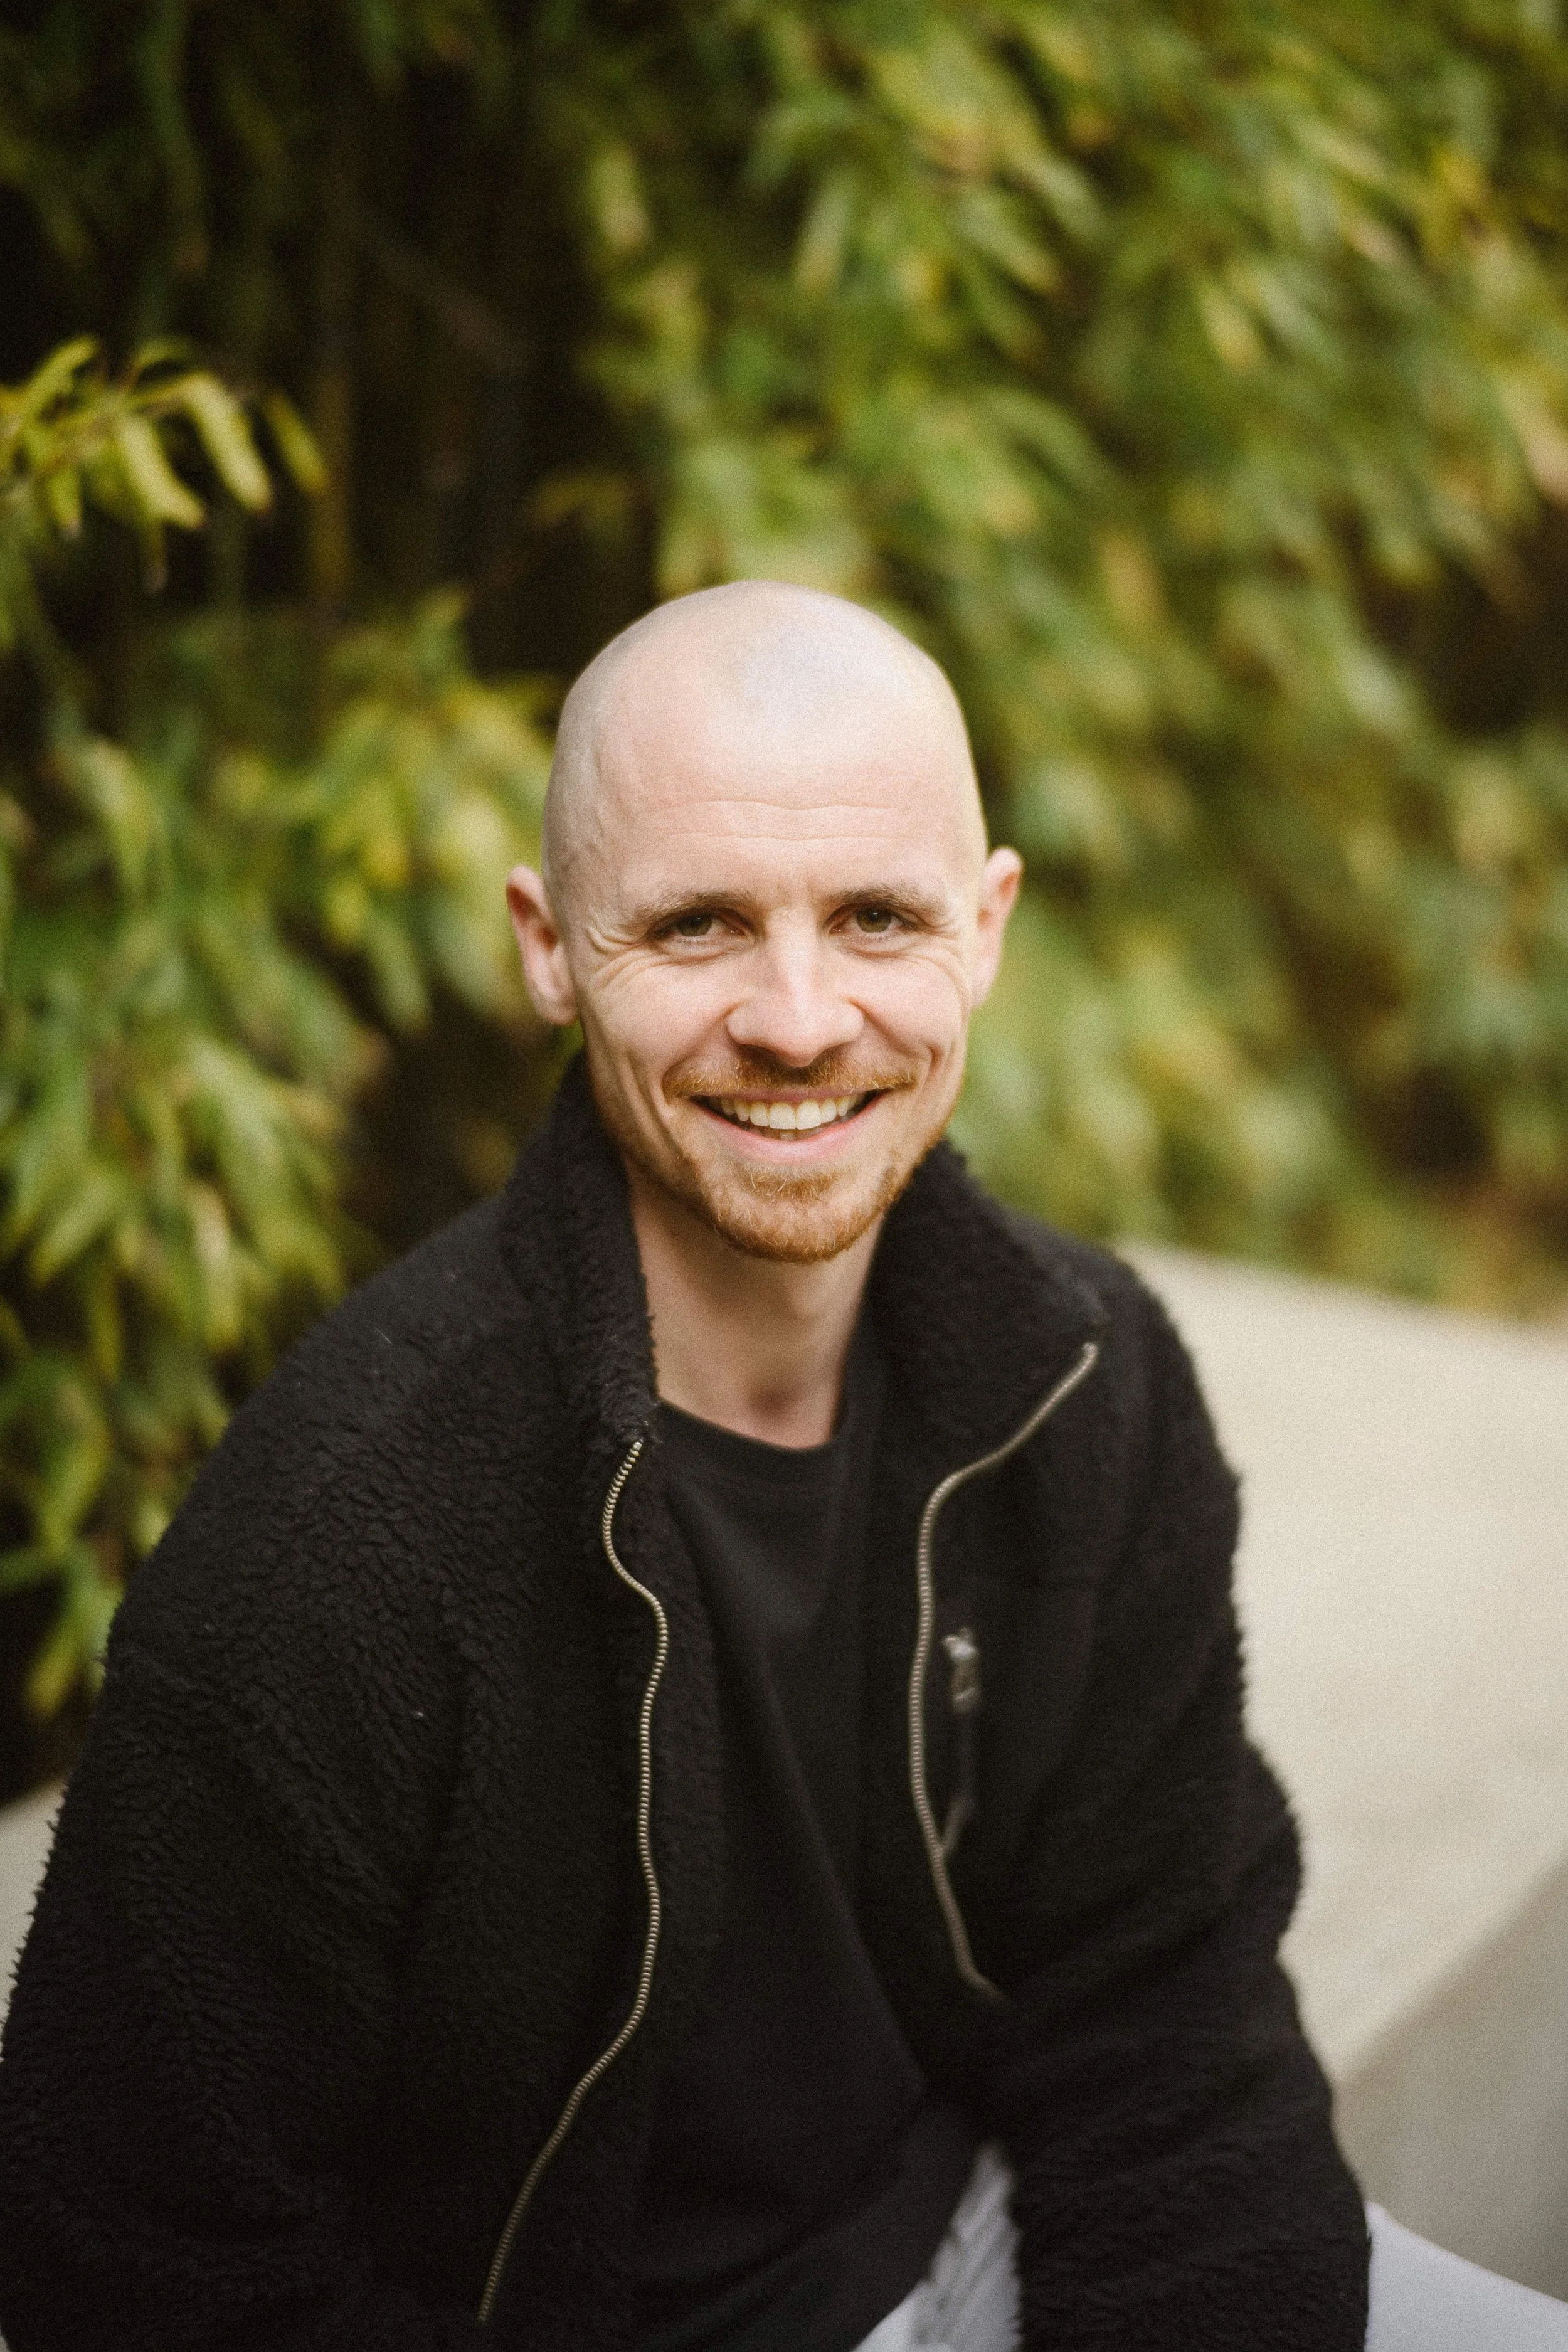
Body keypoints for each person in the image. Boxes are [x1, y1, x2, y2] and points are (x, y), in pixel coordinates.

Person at [0, 582, 1562, 2352]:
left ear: (984, 929)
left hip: (980, 2251)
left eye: (876, 916)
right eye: (697, 925)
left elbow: (1164, 2025)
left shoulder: (1079, 1389)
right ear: (543, 944)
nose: (800, 1017)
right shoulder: (336, 1540)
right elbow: (134, 2265)